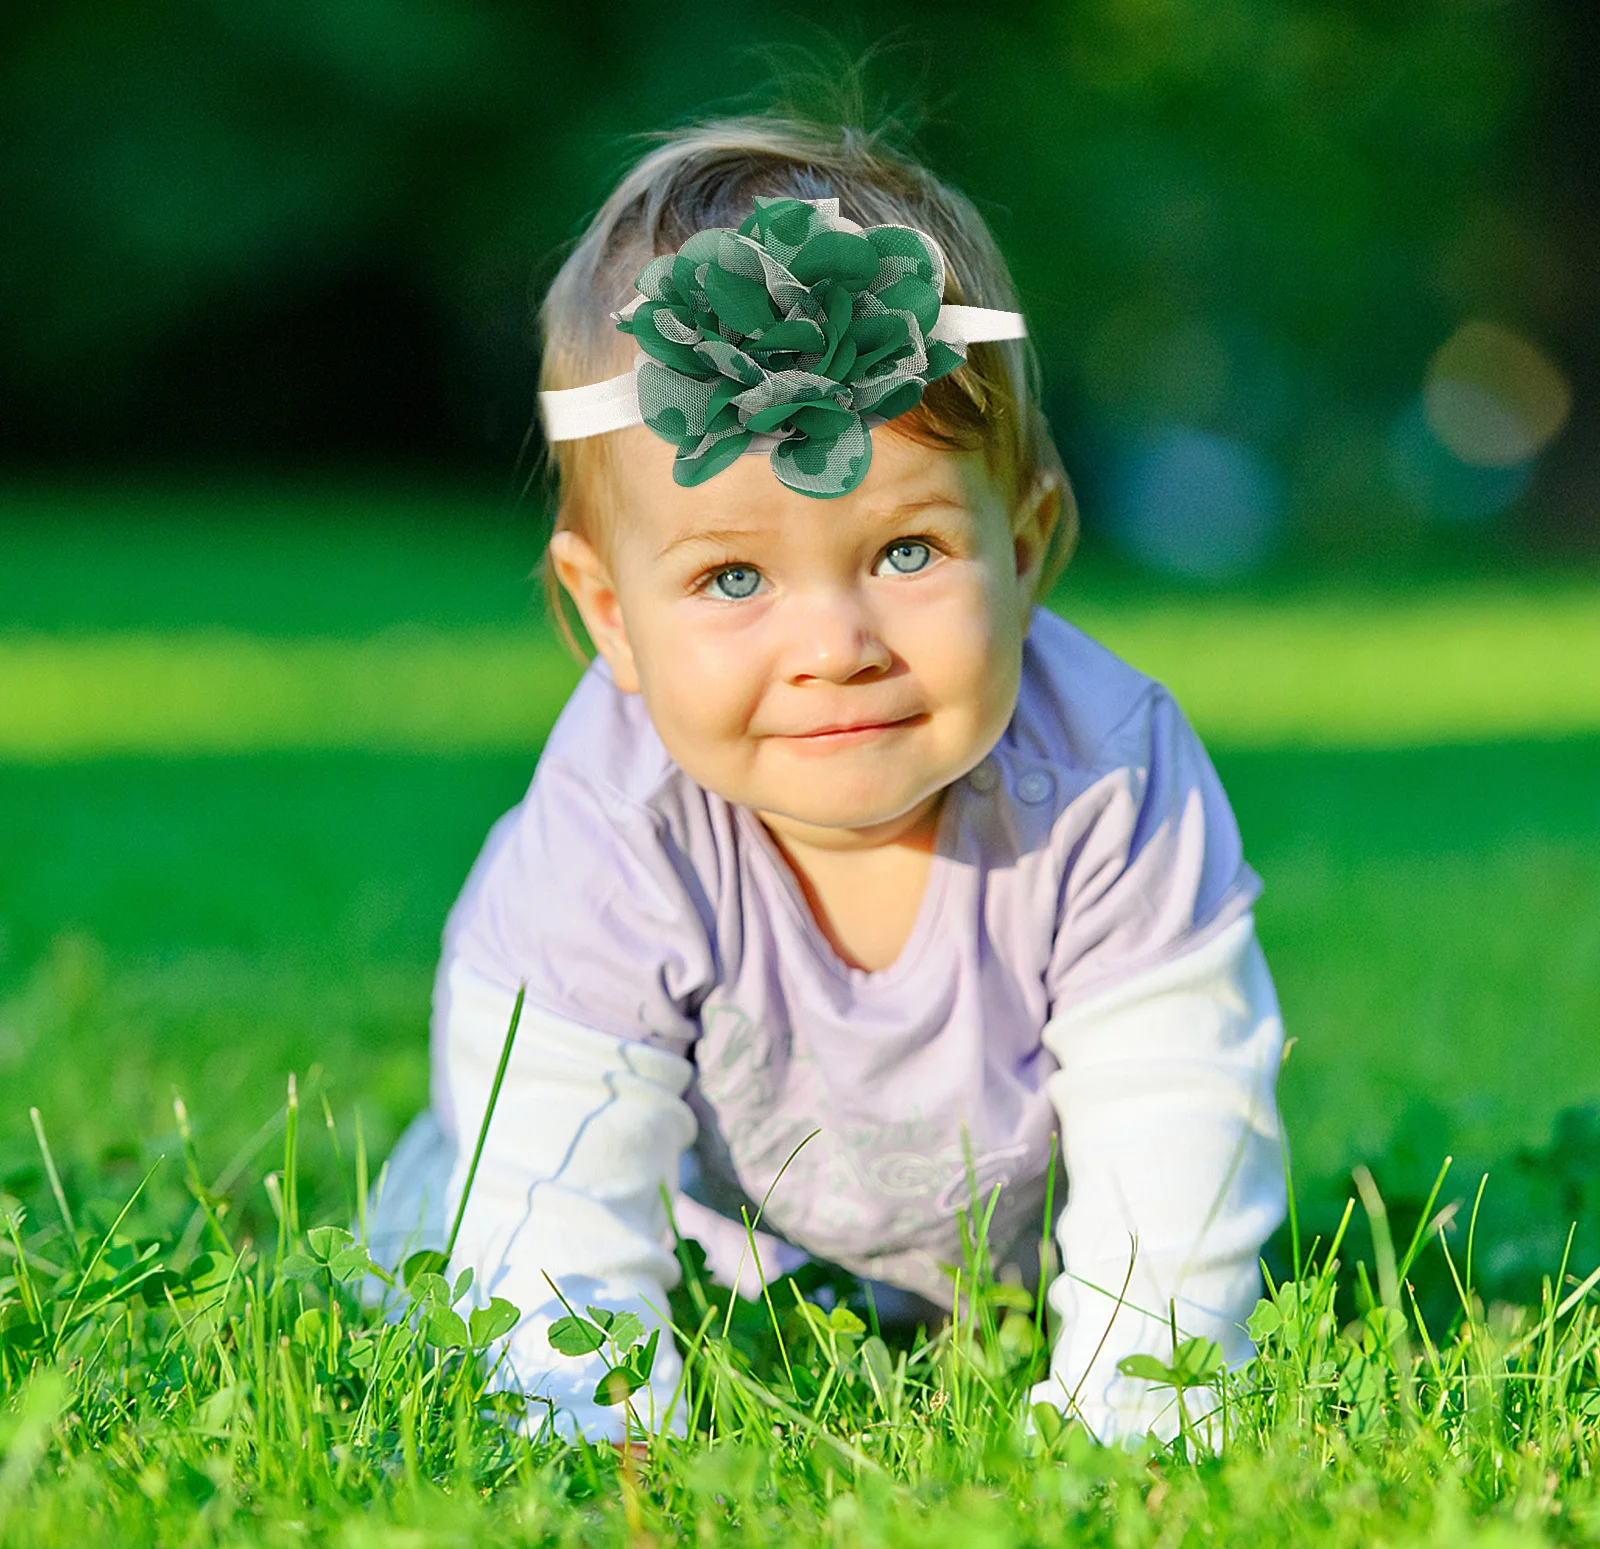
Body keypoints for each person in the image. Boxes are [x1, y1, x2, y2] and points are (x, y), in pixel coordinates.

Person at [369, 113, 1287, 1447]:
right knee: (460, 1229)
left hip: (993, 1266)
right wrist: (592, 1423)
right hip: (700, 1237)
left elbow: (1175, 1114)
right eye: (733, 576)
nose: (836, 647)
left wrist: (1140, 1409)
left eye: (908, 553)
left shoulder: (1107, 790)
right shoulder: (616, 828)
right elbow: (553, 1182)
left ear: (1025, 547)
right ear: (611, 614)